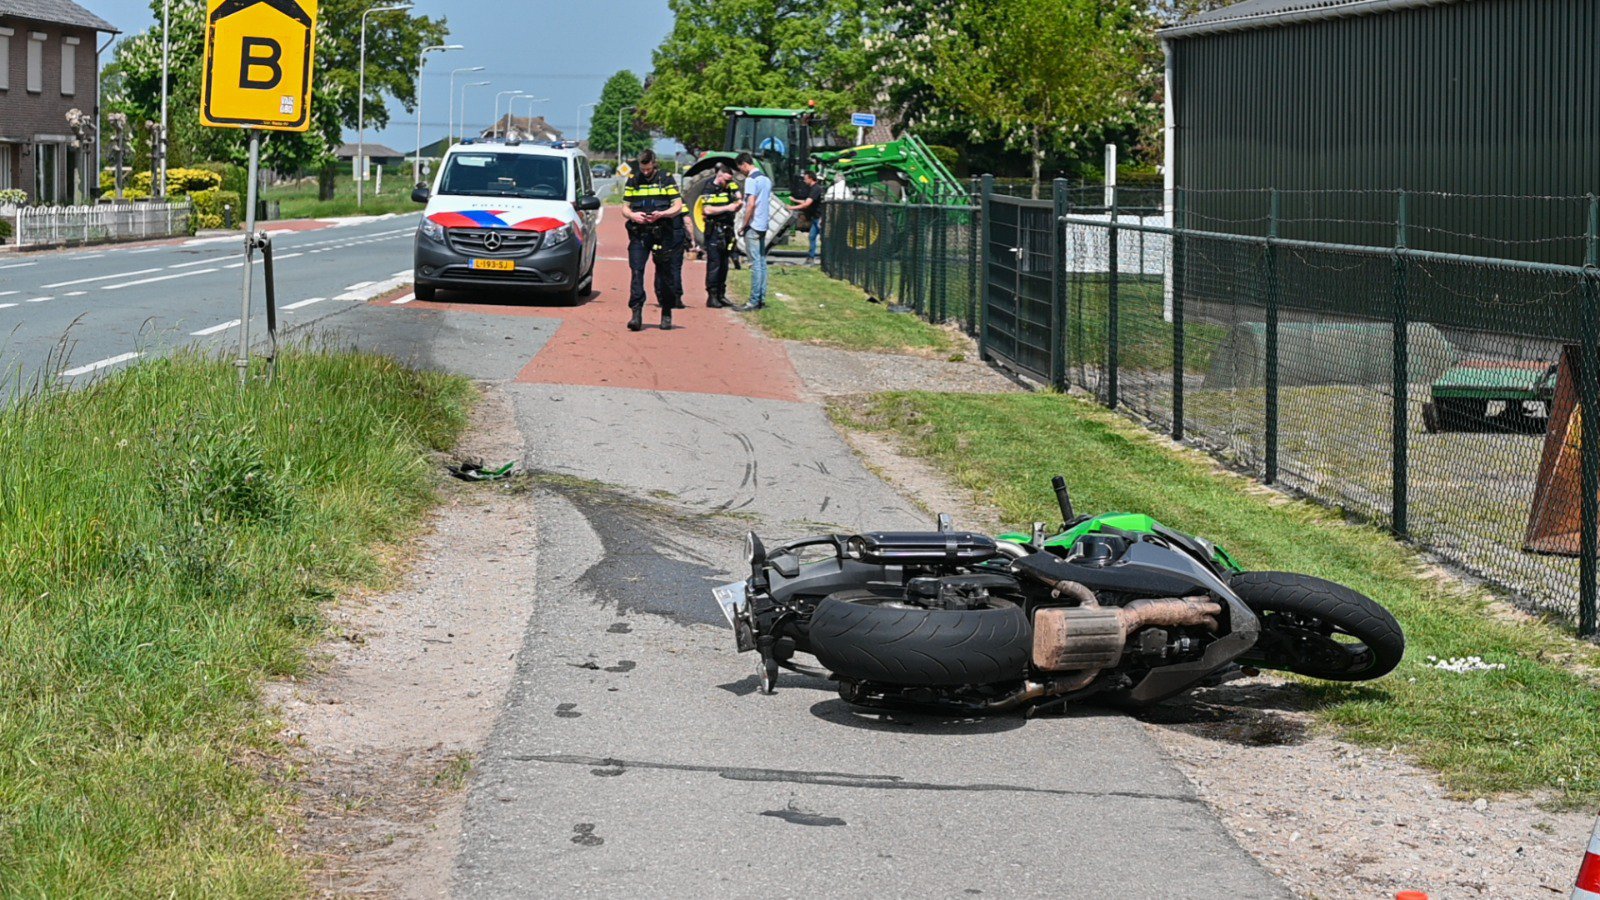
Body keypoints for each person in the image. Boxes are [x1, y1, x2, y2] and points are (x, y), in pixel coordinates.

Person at [621, 149, 687, 331]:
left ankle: (666, 312)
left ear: (654, 165)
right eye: (643, 169)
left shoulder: (666, 179)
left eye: (648, 169)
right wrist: (634, 216)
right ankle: (636, 313)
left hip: (663, 232)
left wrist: (662, 214)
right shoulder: (634, 179)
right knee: (636, 271)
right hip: (639, 232)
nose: (645, 173)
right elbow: (625, 208)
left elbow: (678, 206)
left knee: (665, 273)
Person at [699, 165, 742, 308]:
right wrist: (727, 208)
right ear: (720, 175)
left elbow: (738, 197)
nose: (728, 183)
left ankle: (721, 294)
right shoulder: (709, 188)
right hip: (714, 230)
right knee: (714, 264)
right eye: (726, 180)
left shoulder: (729, 186)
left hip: (727, 230)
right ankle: (712, 296)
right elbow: (707, 209)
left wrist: (738, 200)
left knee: (724, 264)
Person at [734, 152, 772, 312]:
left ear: (744, 164)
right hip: (763, 224)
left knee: (755, 264)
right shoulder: (766, 179)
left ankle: (754, 300)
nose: (741, 171)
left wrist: (744, 224)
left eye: (740, 168)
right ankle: (761, 298)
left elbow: (750, 204)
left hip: (753, 225)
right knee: (762, 263)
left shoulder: (751, 180)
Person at [787, 170, 826, 263]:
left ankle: (825, 258)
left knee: (823, 239)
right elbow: (807, 201)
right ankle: (811, 257)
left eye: (805, 179)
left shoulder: (816, 189)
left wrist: (792, 207)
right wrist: (795, 200)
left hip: (820, 218)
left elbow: (807, 204)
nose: (804, 181)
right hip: (815, 218)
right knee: (812, 237)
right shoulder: (812, 188)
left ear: (811, 178)